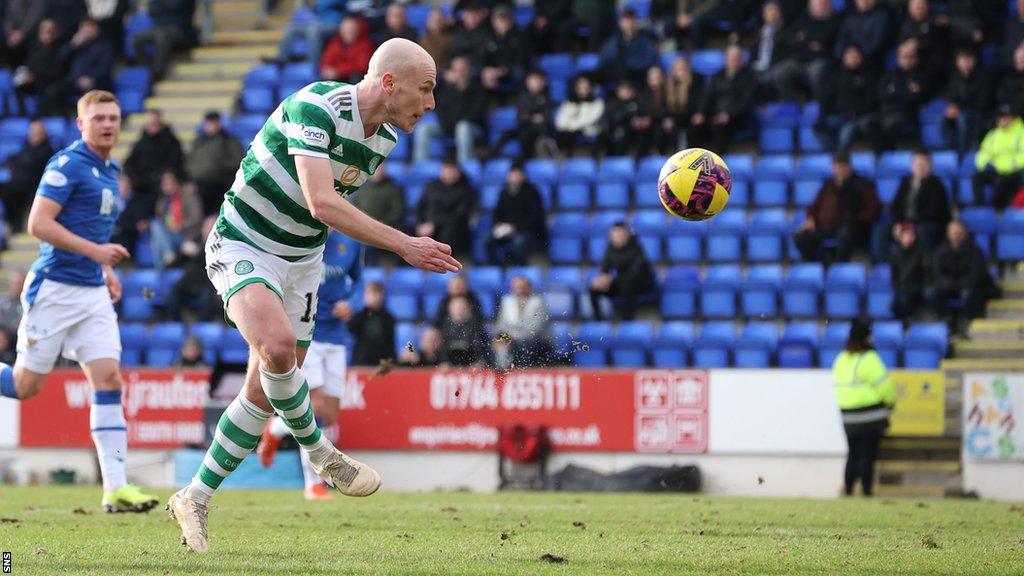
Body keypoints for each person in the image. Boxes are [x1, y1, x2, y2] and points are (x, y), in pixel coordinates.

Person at [166, 39, 460, 554]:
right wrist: (405, 244)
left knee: (265, 389)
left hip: (302, 262)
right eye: (427, 88)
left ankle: (194, 496)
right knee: (278, 349)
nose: (432, 103)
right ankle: (321, 452)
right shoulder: (316, 107)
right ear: (389, 83)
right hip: (244, 242)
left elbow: (325, 212)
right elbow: (322, 201)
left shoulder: (385, 135)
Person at [0, 90, 159, 513]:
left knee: (108, 380)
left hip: (91, 292)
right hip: (54, 288)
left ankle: (115, 487)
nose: (108, 124)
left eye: (114, 117)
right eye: (99, 118)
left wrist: (104, 268)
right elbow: (38, 224)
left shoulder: (110, 169)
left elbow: (89, 229)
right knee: (24, 387)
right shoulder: (68, 164)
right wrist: (96, 254)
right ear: (81, 123)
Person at [258, 232, 364, 501]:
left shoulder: (351, 240)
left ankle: (277, 429)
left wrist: (352, 303)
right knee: (315, 406)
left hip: (337, 337)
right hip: (308, 333)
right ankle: (313, 483)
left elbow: (360, 280)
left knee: (330, 414)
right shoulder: (301, 233)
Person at [832, 319, 896, 497]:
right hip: (871, 415)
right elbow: (886, 388)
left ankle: (848, 489)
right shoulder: (870, 358)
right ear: (866, 338)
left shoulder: (841, 359)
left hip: (848, 417)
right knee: (868, 455)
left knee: (852, 453)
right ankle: (867, 491)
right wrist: (891, 403)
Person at [794, 153, 881, 263]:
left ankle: (839, 265)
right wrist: (811, 218)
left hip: (851, 227)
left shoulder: (863, 185)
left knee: (846, 234)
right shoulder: (828, 184)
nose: (838, 170)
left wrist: (857, 220)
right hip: (825, 226)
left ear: (849, 167)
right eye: (835, 167)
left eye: (841, 167)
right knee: (800, 237)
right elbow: (814, 206)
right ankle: (823, 261)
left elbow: (873, 208)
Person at [412, 56, 486, 162]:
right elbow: (438, 106)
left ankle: (464, 164)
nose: (460, 74)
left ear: (469, 70)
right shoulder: (446, 88)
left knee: (462, 127)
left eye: (463, 70)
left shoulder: (477, 87)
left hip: (472, 127)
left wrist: (461, 90)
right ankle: (421, 166)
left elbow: (474, 114)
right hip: (448, 126)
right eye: (456, 70)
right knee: (423, 128)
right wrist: (446, 81)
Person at [864, 40, 930, 152]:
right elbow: (881, 94)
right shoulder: (889, 75)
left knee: (891, 124)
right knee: (867, 123)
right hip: (886, 112)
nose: (907, 60)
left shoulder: (920, 75)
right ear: (898, 59)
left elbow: (917, 98)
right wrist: (905, 91)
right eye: (904, 57)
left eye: (911, 57)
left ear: (916, 59)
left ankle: (888, 151)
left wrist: (895, 91)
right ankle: (882, 152)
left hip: (908, 114)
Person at [689, 45, 756, 153]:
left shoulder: (749, 77)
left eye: (736, 58)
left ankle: (717, 162)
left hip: (737, 117)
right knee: (695, 126)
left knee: (718, 127)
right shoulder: (717, 76)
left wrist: (728, 115)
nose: (733, 61)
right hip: (715, 113)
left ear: (741, 60)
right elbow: (708, 96)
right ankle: (694, 159)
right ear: (726, 60)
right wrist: (700, 113)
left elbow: (746, 102)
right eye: (731, 58)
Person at [928, 220, 998, 323]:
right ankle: (945, 320)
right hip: (949, 287)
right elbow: (937, 275)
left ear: (965, 234)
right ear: (948, 234)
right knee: (930, 293)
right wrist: (949, 284)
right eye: (953, 233)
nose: (956, 235)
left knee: (968, 294)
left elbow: (976, 276)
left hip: (970, 287)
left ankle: (970, 322)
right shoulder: (940, 252)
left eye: (959, 233)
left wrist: (958, 284)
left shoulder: (976, 251)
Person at [41, 18, 114, 115]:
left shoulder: (104, 45)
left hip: (96, 82)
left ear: (96, 29)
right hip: (74, 81)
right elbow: (60, 59)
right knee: (53, 91)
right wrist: (73, 45)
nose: (86, 31)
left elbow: (105, 67)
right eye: (83, 27)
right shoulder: (77, 44)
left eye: (89, 27)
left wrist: (92, 78)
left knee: (90, 93)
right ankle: (61, 120)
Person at [814, 45, 879, 152]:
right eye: (850, 55)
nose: (852, 58)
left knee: (846, 132)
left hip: (858, 117)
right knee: (818, 128)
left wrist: (856, 112)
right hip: (839, 115)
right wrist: (822, 116)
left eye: (855, 55)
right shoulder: (836, 76)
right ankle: (833, 155)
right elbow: (827, 98)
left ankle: (841, 158)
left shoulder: (869, 75)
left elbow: (873, 99)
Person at [770, 0, 838, 101]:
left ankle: (818, 104)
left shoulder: (835, 20)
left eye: (822, 4)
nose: (820, 7)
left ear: (828, 5)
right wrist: (809, 42)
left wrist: (804, 39)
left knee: (817, 73)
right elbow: (791, 39)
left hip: (821, 60)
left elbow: (826, 40)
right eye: (816, 5)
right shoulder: (803, 20)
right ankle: (791, 104)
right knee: (780, 73)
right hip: (801, 60)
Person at [588, 222, 655, 321]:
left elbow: (635, 273)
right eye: (615, 235)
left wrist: (611, 279)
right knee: (593, 287)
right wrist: (602, 279)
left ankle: (627, 322)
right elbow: (605, 268)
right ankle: (598, 322)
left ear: (627, 234)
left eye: (621, 234)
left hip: (640, 284)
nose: (618, 237)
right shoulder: (610, 248)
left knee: (627, 285)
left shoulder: (636, 248)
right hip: (620, 282)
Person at [486, 162, 547, 266]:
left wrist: (516, 228)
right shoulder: (504, 193)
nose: (514, 178)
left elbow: (536, 217)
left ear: (523, 176)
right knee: (487, 241)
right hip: (505, 230)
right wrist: (497, 225)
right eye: (512, 174)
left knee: (519, 242)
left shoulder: (532, 192)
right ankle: (496, 267)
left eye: (517, 174)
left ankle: (519, 266)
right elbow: (497, 213)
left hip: (527, 231)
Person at [889, 150, 951, 252]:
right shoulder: (905, 184)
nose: (920, 168)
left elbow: (934, 212)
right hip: (905, 223)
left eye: (924, 165)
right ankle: (883, 264)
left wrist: (910, 227)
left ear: (930, 167)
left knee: (924, 231)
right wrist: (898, 223)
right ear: (912, 166)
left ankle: (923, 262)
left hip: (926, 224)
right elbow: (895, 206)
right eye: (918, 164)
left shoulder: (937, 186)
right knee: (881, 231)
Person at [415, 157, 477, 258]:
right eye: (445, 169)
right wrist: (420, 224)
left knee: (449, 233)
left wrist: (434, 224)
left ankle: (444, 263)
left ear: (458, 171)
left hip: (452, 228)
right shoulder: (432, 186)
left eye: (451, 170)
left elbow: (459, 216)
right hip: (428, 225)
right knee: (405, 233)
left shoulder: (466, 190)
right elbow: (420, 207)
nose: (448, 173)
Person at [186, 111, 245, 216]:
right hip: (198, 185)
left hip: (220, 184)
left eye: (213, 123)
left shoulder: (229, 140)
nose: (211, 126)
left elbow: (238, 160)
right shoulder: (198, 141)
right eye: (209, 123)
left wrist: (219, 166)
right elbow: (189, 161)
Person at [1, 120, 54, 231]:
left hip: (34, 185)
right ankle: (13, 225)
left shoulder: (48, 150)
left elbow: (31, 165)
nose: (34, 135)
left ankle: (16, 225)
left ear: (44, 134)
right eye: (32, 132)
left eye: (37, 132)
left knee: (9, 192)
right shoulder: (27, 148)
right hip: (18, 184)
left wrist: (17, 165)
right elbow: (14, 159)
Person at [490, 70, 553, 159]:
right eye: (533, 79)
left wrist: (530, 117)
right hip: (524, 127)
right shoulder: (522, 98)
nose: (536, 82)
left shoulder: (547, 99)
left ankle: (526, 159)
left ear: (544, 82)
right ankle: (491, 157)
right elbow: (521, 117)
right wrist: (532, 118)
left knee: (528, 135)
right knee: (507, 133)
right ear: (527, 82)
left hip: (539, 130)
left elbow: (546, 118)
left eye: (539, 79)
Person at [493, 276, 554, 368]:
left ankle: (522, 371)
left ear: (528, 288)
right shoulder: (507, 302)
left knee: (522, 343)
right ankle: (501, 371)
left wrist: (513, 337)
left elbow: (535, 330)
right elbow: (500, 326)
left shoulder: (538, 303)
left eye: (521, 287)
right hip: (512, 338)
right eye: (516, 287)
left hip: (538, 340)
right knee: (497, 342)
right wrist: (505, 338)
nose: (518, 290)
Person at [972, 104, 1024, 210]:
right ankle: (980, 208)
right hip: (994, 169)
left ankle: (996, 211)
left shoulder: (1021, 133)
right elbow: (983, 152)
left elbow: (1022, 157)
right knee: (977, 177)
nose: (1003, 120)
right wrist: (985, 164)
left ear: (1013, 118)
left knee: (1000, 181)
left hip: (1014, 172)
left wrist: (1002, 167)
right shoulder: (993, 134)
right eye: (1001, 117)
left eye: (1006, 117)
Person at [149, 170, 202, 270]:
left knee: (157, 239)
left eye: (170, 183)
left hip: (186, 235)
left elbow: (196, 218)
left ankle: (164, 263)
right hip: (169, 235)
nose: (168, 186)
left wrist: (180, 225)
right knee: (155, 229)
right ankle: (167, 257)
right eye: (165, 184)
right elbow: (160, 219)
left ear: (177, 183)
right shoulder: (163, 200)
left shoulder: (188, 195)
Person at [123, 109, 184, 197]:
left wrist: (158, 176)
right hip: (140, 185)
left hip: (159, 187)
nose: (152, 126)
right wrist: (133, 177)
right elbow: (129, 163)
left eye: (154, 123)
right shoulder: (142, 141)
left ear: (160, 122)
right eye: (150, 123)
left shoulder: (171, 141)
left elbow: (174, 164)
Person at [129, 0, 195, 79]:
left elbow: (175, 6)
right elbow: (152, 10)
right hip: (158, 27)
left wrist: (161, 4)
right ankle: (146, 67)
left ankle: (157, 73)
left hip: (178, 28)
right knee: (137, 38)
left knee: (161, 37)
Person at [12, 19, 64, 116]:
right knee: (18, 87)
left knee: (51, 91)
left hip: (51, 82)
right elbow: (29, 65)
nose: (47, 34)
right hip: (34, 81)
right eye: (44, 30)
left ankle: (45, 119)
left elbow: (58, 72)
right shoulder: (34, 49)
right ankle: (23, 118)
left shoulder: (61, 48)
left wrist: (35, 76)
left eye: (50, 30)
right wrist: (27, 76)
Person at [943, 49, 990, 155]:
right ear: (957, 62)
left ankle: (963, 152)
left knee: (962, 119)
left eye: (968, 60)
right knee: (943, 120)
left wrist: (959, 108)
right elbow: (952, 97)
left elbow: (982, 102)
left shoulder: (982, 78)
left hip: (976, 112)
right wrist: (952, 107)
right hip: (960, 110)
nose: (965, 63)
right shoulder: (955, 78)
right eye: (962, 60)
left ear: (974, 61)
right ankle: (949, 150)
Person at [597, 8, 659, 85]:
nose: (629, 24)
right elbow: (603, 61)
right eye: (626, 20)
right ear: (620, 23)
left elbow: (650, 60)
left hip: (636, 77)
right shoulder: (612, 42)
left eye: (632, 20)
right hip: (615, 78)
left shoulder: (645, 41)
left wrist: (630, 65)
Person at [833, 0, 894, 73]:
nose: (863, 1)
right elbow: (841, 40)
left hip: (871, 61)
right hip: (848, 59)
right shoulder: (850, 16)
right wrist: (845, 53)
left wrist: (858, 54)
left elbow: (877, 43)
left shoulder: (883, 16)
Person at [348, 280, 396, 367]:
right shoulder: (361, 315)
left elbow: (391, 343)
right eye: (372, 294)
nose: (375, 298)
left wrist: (391, 362)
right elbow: (351, 328)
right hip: (361, 361)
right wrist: (367, 308)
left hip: (381, 363)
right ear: (365, 296)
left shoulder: (388, 318)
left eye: (378, 294)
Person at [554, 74, 605, 156]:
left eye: (586, 87)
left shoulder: (598, 104)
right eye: (580, 87)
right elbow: (560, 123)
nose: (583, 90)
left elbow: (589, 121)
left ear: (592, 88)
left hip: (590, 136)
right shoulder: (568, 104)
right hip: (570, 135)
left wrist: (570, 125)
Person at [889, 223, 928, 322]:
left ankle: (908, 322)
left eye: (911, 235)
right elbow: (894, 275)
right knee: (894, 304)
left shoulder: (921, 251)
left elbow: (924, 271)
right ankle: (900, 325)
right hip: (902, 287)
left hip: (916, 286)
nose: (908, 237)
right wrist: (897, 288)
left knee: (906, 299)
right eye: (905, 235)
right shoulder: (896, 253)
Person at [320, 16, 375, 84]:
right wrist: (328, 70)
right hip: (337, 77)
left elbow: (362, 66)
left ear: (357, 30)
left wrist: (339, 71)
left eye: (352, 29)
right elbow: (326, 62)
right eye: (347, 29)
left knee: (355, 77)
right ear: (341, 31)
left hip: (354, 78)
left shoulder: (365, 44)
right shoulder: (334, 43)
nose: (350, 31)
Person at [439, 295, 489, 367]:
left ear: (468, 309)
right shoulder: (443, 326)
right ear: (450, 309)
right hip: (449, 366)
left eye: (463, 307)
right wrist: (443, 362)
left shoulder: (476, 325)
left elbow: (480, 345)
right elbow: (441, 347)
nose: (460, 310)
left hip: (471, 366)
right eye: (457, 308)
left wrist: (479, 361)